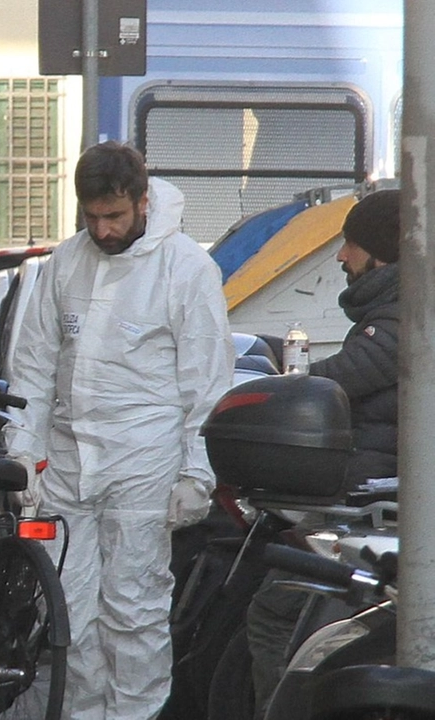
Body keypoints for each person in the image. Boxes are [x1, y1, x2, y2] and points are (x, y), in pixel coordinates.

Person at [5, 141, 232, 720]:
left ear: (142, 200)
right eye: (92, 217)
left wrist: (196, 473)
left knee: (134, 614)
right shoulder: (65, 263)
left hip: (144, 462)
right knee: (68, 614)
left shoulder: (186, 268)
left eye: (115, 216)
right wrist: (23, 452)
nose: (103, 230)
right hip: (68, 462)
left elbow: (205, 382)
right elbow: (32, 366)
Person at [246, 188, 401, 716]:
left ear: (381, 251)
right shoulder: (394, 314)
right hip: (367, 512)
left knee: (276, 615)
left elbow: (328, 386)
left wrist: (281, 387)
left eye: (350, 246)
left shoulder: (398, 325)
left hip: (372, 522)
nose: (340, 257)